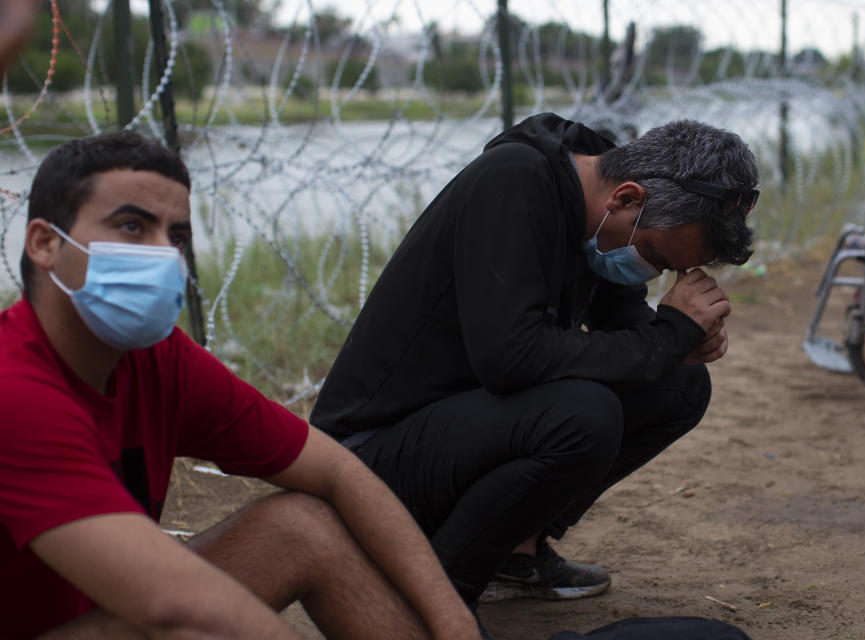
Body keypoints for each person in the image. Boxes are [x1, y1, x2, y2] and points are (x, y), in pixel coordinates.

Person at [0, 131, 482, 640]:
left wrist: (455, 625)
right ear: (45, 244)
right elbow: (172, 603)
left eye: (177, 236)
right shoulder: (15, 391)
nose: (165, 256)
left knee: (299, 529)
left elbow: (338, 471)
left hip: (99, 618)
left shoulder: (158, 361)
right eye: (132, 226)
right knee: (194, 620)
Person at [309, 113, 758, 608]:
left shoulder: (601, 211)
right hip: (368, 457)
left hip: (456, 432)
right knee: (583, 418)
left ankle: (511, 551)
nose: (652, 273)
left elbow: (623, 322)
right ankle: (434, 602)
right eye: (654, 256)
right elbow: (512, 358)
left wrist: (681, 341)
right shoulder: (514, 182)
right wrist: (664, 337)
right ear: (626, 198)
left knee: (680, 385)